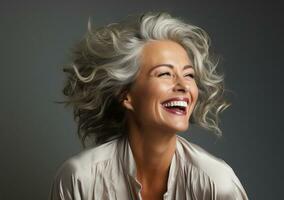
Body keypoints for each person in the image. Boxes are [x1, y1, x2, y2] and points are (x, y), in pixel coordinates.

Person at [49, 12, 249, 200]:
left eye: (189, 75)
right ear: (125, 95)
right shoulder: (81, 178)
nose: (184, 86)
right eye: (164, 73)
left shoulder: (216, 182)